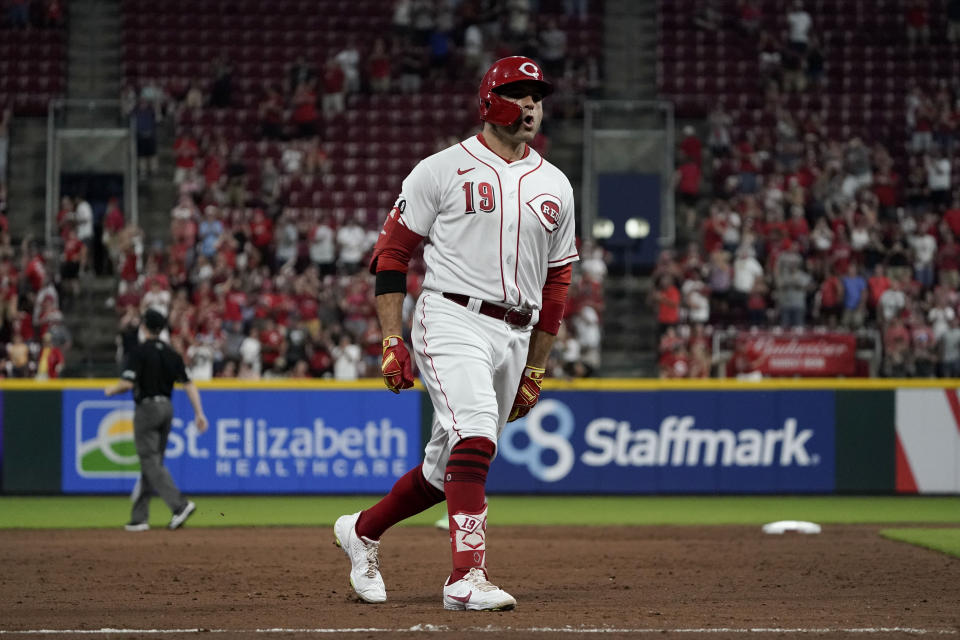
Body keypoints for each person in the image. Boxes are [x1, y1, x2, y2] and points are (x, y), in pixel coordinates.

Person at [333, 57, 577, 611]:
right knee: (476, 435)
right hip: (451, 316)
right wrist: (392, 340)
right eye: (518, 93)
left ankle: (362, 530)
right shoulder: (440, 169)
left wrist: (536, 367)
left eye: (536, 95)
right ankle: (466, 578)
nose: (531, 104)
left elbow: (558, 284)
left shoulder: (555, 184)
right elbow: (392, 256)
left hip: (516, 334)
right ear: (490, 100)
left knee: (443, 472)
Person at [104, 309, 208, 532]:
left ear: (144, 327)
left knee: (149, 460)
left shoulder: (139, 352)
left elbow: (127, 383)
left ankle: (180, 505)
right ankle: (139, 517)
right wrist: (199, 413)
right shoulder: (172, 353)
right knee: (152, 464)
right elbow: (189, 384)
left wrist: (111, 390)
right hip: (167, 408)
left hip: (147, 409)